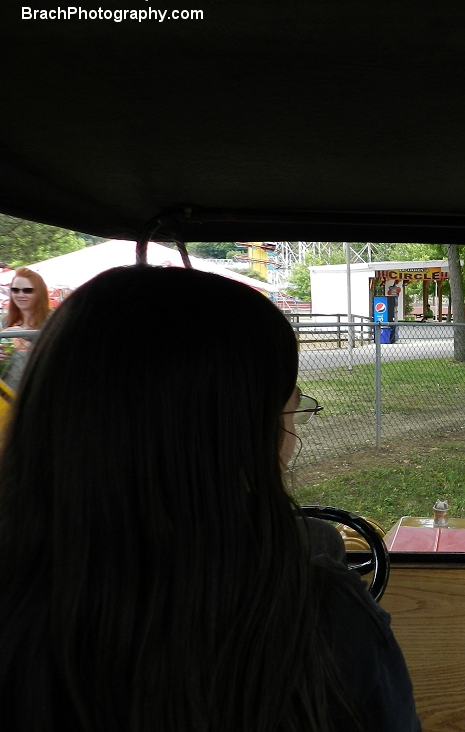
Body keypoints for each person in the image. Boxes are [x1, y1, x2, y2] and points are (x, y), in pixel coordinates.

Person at [0, 266, 420, 732]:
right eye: (290, 405)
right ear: (232, 436)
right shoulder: (316, 617)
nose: (291, 431)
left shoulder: (26, 603)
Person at [0, 267, 52, 390]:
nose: (20, 295)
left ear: (39, 293)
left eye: (27, 290)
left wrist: (26, 342)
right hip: (9, 395)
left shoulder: (53, 320)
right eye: (15, 290)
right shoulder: (5, 321)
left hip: (41, 392)